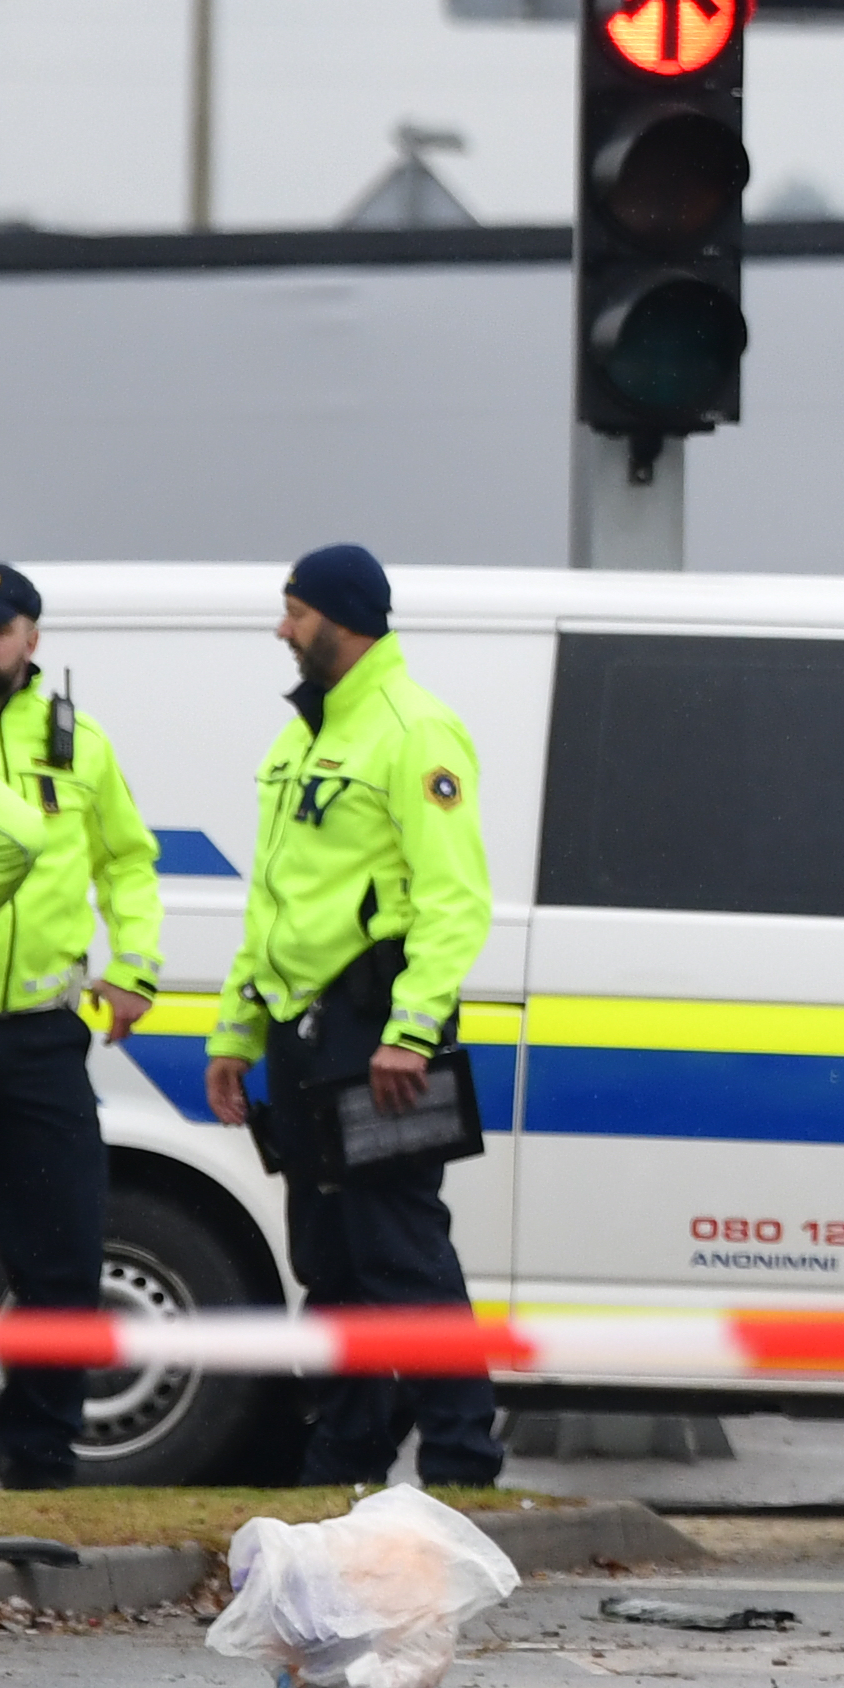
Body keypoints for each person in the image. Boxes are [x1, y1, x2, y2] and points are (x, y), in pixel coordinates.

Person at [228, 542, 499, 1499]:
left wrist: (410, 1033)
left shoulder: (414, 729)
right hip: (302, 1032)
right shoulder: (300, 737)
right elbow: (273, 904)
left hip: (378, 1030)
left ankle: (463, 1464)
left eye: (296, 612)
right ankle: (344, 1459)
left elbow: (455, 900)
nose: (282, 628)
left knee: (400, 1252)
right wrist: (234, 1034)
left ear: (342, 618)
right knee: (330, 1259)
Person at [0, 561, 159, 1489]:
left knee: (62, 1250)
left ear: (32, 638)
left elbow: (128, 863)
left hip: (39, 1037)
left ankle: (43, 1458)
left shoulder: (80, 745)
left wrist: (134, 968)